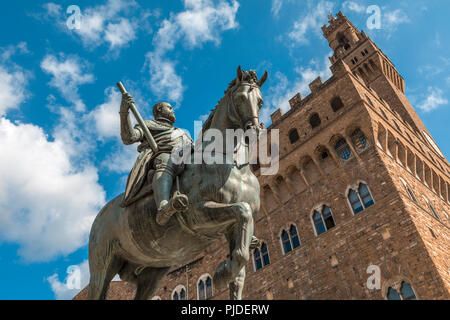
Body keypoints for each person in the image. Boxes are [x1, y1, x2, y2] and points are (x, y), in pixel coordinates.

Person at [119, 93, 191, 226]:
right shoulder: (148, 125)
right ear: (159, 110)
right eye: (169, 108)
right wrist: (124, 112)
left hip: (186, 158)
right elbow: (129, 138)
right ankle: (163, 208)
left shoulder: (182, 132)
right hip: (164, 157)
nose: (173, 110)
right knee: (166, 160)